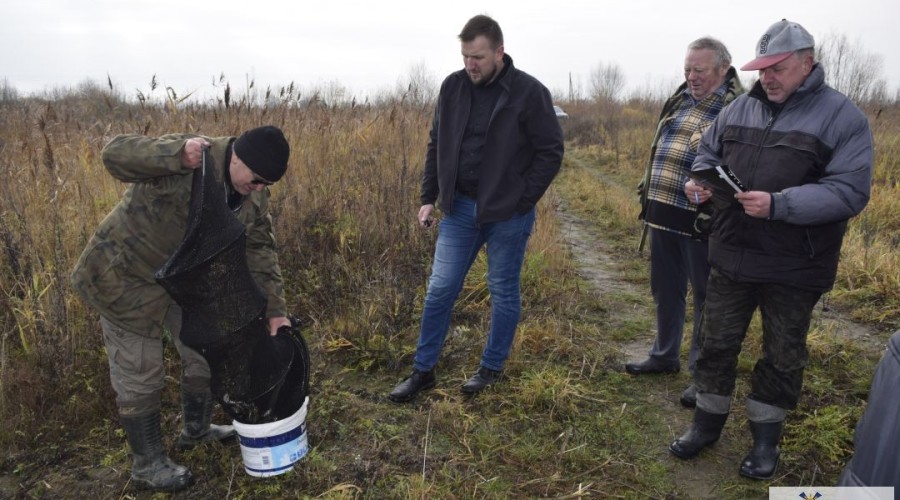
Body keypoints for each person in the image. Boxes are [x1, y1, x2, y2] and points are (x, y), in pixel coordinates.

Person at [669, 19, 873, 480]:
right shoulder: (738, 109)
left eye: (778, 68)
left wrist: (780, 204)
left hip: (795, 264)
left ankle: (765, 442)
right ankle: (705, 425)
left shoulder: (843, 117)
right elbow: (707, 155)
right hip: (731, 253)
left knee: (782, 356)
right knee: (715, 344)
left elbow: (849, 191)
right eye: (763, 69)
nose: (768, 77)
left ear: (807, 63)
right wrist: (700, 184)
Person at [71, 126, 292, 491]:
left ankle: (196, 431)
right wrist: (174, 155)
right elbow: (114, 154)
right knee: (141, 370)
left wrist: (275, 310)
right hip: (126, 276)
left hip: (185, 282)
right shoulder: (192, 157)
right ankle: (147, 465)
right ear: (237, 157)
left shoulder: (254, 196)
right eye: (256, 180)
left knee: (205, 352)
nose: (258, 189)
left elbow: (260, 251)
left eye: (266, 184)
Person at [388, 14, 564, 402]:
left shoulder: (529, 92)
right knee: (440, 289)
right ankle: (423, 371)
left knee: (502, 291)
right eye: (466, 56)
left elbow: (551, 151)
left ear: (499, 52)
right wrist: (428, 197)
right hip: (460, 210)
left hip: (508, 215)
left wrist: (522, 200)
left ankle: (491, 368)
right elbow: (436, 143)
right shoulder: (452, 87)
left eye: (479, 57)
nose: (471, 64)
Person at [629, 37, 745, 409]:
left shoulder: (737, 108)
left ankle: (701, 374)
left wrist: (713, 190)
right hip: (662, 214)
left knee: (706, 299)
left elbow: (740, 167)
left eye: (699, 70)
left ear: (723, 69)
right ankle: (664, 355)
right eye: (687, 69)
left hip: (702, 223)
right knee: (665, 290)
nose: (691, 76)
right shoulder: (679, 100)